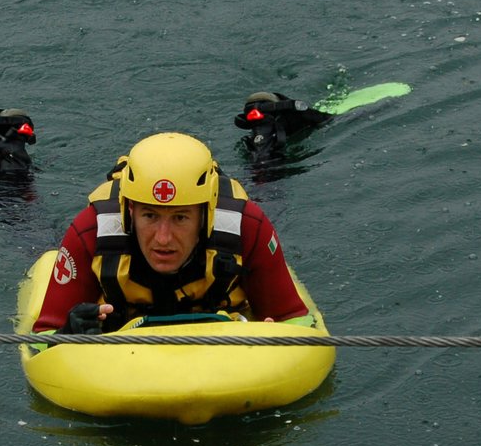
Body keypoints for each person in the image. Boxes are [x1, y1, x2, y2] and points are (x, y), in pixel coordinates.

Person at [34, 132, 312, 333]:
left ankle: (268, 136)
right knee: (30, 233)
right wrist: (66, 334)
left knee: (271, 185)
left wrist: (276, 335)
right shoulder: (91, 230)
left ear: (206, 215)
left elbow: (295, 321)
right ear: (130, 211)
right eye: (150, 216)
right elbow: (42, 336)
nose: (163, 239)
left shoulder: (247, 227)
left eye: (180, 217)